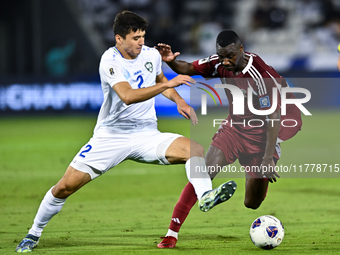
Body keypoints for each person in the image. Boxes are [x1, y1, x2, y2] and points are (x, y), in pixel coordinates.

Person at [15, 12, 236, 253]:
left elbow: (160, 78)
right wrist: (167, 85)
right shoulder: (110, 60)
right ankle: (33, 234)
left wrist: (178, 100)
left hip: (146, 134)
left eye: (143, 36)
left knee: (194, 149)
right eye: (135, 38)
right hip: (111, 136)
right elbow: (128, 96)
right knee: (64, 187)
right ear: (119, 38)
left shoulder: (150, 54)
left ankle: (205, 196)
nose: (141, 42)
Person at [156, 30, 302, 248]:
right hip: (234, 128)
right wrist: (171, 61)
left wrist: (267, 157)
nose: (225, 61)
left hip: (263, 135)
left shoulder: (260, 75)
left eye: (230, 56)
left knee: (252, 203)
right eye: (221, 56)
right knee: (203, 172)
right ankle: (171, 234)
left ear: (241, 49)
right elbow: (188, 68)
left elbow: (274, 117)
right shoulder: (220, 62)